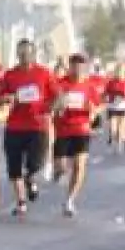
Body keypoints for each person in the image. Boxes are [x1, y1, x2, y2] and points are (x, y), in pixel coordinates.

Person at [0, 38, 59, 218]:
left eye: (27, 52)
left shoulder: (44, 74)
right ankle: (21, 202)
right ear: (17, 54)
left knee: (35, 162)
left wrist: (50, 108)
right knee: (14, 167)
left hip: (37, 125)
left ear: (33, 54)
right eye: (21, 52)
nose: (24, 55)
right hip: (15, 125)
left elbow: (58, 95)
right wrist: (6, 99)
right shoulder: (10, 75)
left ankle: (31, 178)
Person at [51, 53, 105, 219]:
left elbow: (100, 105)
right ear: (70, 66)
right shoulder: (61, 84)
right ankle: (58, 172)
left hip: (81, 129)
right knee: (60, 167)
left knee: (79, 165)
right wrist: (58, 105)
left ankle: (69, 200)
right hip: (63, 130)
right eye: (75, 65)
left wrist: (94, 111)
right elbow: (51, 104)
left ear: (85, 67)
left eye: (81, 65)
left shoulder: (89, 86)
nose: (78, 68)